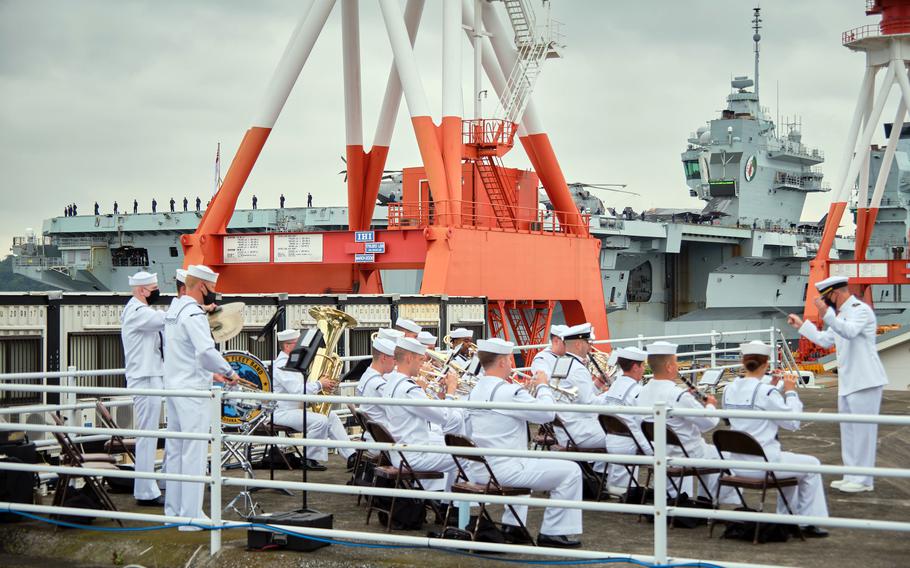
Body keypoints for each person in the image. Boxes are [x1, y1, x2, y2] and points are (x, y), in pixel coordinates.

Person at [466, 338, 583, 548]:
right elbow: (547, 414)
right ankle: (553, 532)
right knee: (572, 471)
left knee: (529, 461)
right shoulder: (509, 392)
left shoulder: (474, 391)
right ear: (502, 362)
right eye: (509, 359)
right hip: (503, 470)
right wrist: (543, 387)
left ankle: (514, 526)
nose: (512, 364)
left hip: (479, 468)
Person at [789, 275, 889, 493]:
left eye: (826, 299)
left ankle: (864, 480)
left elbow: (850, 332)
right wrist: (802, 325)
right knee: (849, 431)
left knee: (863, 432)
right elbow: (826, 340)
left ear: (835, 293)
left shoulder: (859, 310)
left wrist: (828, 315)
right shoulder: (842, 315)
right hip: (849, 382)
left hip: (865, 381)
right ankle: (851, 475)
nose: (825, 304)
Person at [721, 341, 829, 537]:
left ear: (743, 362)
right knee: (812, 465)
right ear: (766, 364)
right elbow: (793, 423)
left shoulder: (729, 389)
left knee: (793, 466)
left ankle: (787, 518)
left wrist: (771, 387)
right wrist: (790, 391)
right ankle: (808, 522)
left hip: (736, 463)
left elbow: (731, 418)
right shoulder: (766, 392)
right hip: (764, 465)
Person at [163, 264, 239, 528]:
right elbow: (205, 352)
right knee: (194, 454)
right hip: (192, 393)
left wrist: (211, 375)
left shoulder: (173, 312)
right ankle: (192, 516)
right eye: (213, 289)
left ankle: (173, 513)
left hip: (172, 388)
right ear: (202, 287)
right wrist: (228, 371)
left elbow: (184, 355)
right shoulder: (193, 315)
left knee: (174, 452)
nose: (214, 295)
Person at [635, 341, 723, 500]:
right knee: (720, 456)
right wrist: (710, 405)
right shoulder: (677, 394)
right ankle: (707, 503)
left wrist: (690, 400)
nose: (677, 367)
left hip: (660, 450)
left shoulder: (642, 392)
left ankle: (685, 501)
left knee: (710, 454)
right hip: (686, 452)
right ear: (669, 366)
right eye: (675, 363)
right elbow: (709, 423)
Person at [382, 337, 464, 491]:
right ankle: (453, 507)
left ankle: (447, 503)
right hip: (414, 456)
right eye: (420, 360)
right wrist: (451, 391)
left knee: (453, 449)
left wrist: (438, 392)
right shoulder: (409, 389)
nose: (422, 364)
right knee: (469, 457)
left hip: (401, 453)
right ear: (409, 358)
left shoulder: (392, 381)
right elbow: (443, 417)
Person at [271, 329, 356, 470]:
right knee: (320, 420)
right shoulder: (282, 365)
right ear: (287, 346)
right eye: (297, 343)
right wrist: (319, 384)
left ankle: (351, 455)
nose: (301, 347)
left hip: (294, 410)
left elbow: (301, 388)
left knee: (331, 416)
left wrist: (322, 385)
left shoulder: (293, 363)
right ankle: (309, 458)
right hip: (282, 412)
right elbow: (297, 390)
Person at [120, 271, 166, 506]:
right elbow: (167, 320)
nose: (157, 292)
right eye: (154, 287)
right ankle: (146, 491)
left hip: (151, 376)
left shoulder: (142, 311)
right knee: (147, 434)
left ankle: (156, 483)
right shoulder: (138, 312)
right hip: (145, 378)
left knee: (152, 433)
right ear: (141, 290)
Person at [598, 346, 651, 496]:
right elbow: (644, 422)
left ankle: (619, 489)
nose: (643, 369)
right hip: (629, 444)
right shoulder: (636, 390)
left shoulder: (615, 385)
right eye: (642, 366)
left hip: (611, 441)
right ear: (635, 367)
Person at [553, 323, 606, 451]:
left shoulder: (562, 362)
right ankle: (613, 471)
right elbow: (590, 403)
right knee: (626, 437)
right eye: (588, 342)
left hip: (566, 429)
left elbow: (576, 395)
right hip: (580, 431)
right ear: (578, 344)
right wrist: (613, 398)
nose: (590, 346)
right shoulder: (577, 368)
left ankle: (599, 468)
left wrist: (597, 385)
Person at [354, 332, 400, 438]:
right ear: (384, 358)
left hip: (375, 435)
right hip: (383, 439)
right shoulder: (377, 384)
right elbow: (401, 409)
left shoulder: (367, 375)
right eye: (394, 359)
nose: (396, 363)